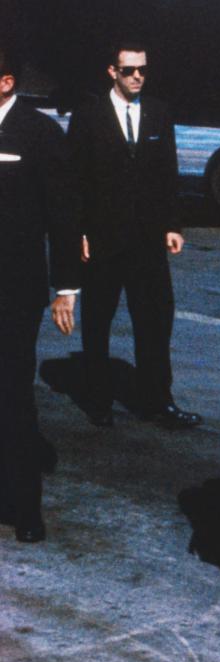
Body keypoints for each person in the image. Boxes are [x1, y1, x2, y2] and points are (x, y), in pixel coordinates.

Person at [67, 41, 200, 429]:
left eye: (142, 69)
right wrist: (79, 233)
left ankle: (159, 401)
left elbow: (168, 173)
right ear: (112, 72)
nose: (137, 76)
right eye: (129, 70)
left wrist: (173, 225)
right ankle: (97, 398)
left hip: (146, 241)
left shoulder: (159, 112)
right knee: (98, 322)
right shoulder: (89, 114)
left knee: (155, 322)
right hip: (103, 239)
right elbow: (75, 181)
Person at [0, 47, 82, 543]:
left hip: (13, 289)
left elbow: (64, 215)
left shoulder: (39, 133)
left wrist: (66, 288)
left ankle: (23, 505)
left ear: (5, 81)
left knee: (12, 394)